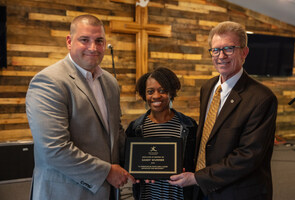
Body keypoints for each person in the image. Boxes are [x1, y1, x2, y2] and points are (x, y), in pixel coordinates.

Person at [26, 14, 134, 200]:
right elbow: (54, 149)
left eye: (99, 41)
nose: (93, 47)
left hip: (107, 193)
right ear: (69, 41)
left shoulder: (110, 83)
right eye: (84, 40)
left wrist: (146, 166)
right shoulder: (49, 81)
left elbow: (115, 133)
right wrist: (106, 172)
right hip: (65, 193)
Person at [169, 21, 278, 200]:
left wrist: (198, 178)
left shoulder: (262, 99)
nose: (221, 55)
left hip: (237, 193)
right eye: (216, 50)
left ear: (244, 52)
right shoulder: (208, 87)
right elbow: (207, 139)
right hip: (203, 190)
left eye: (228, 48)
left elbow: (248, 156)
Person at [125, 67, 198, 200]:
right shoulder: (135, 129)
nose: (156, 96)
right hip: (147, 196)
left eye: (162, 90)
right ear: (144, 94)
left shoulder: (189, 126)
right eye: (150, 91)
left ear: (171, 92)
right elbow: (126, 164)